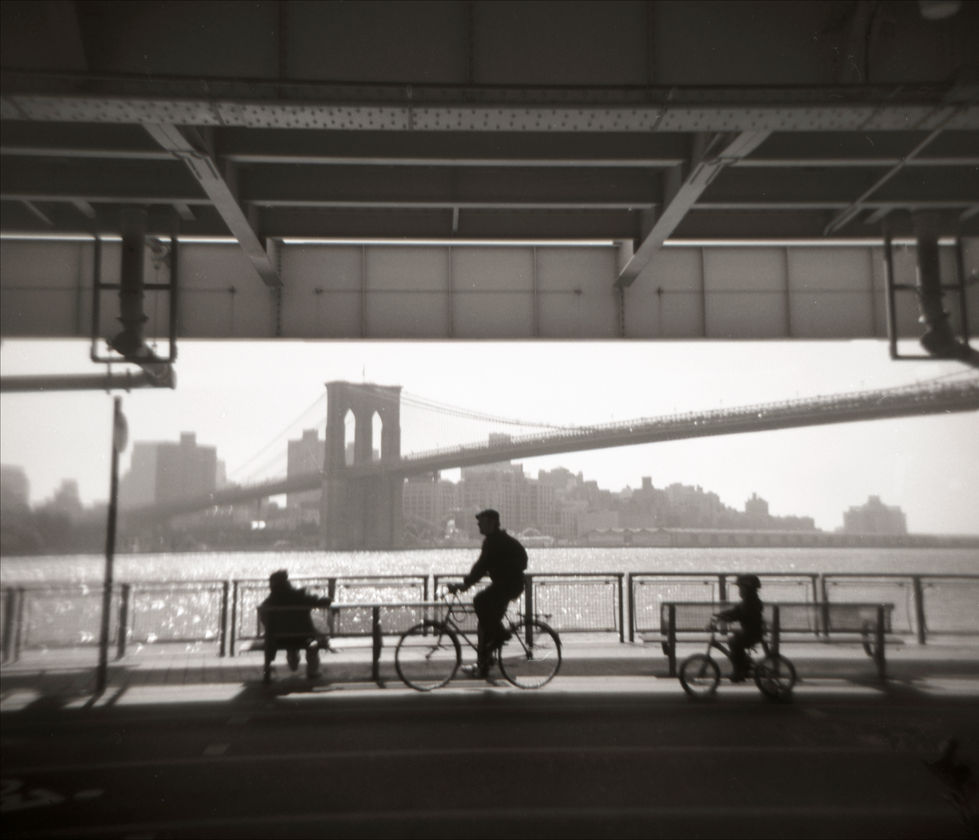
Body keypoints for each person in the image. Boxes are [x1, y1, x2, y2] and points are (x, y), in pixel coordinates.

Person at [448, 509, 528, 678]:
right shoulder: (499, 540)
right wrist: (467, 583)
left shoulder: (494, 542)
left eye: (481, 522)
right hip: (507, 584)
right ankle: (484, 662)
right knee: (485, 623)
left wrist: (465, 584)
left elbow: (481, 566)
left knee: (480, 601)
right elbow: (485, 565)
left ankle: (501, 635)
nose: (478, 525)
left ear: (491, 523)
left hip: (509, 585)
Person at [259, 569, 332, 680]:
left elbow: (263, 617)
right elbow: (323, 602)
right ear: (287, 582)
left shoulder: (270, 602)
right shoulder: (300, 596)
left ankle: (292, 658)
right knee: (314, 641)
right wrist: (329, 598)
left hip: (279, 639)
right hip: (303, 637)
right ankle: (313, 671)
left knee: (289, 635)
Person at [715, 574, 764, 682]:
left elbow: (740, 614)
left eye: (741, 588)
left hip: (752, 633)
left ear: (747, 589)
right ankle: (744, 665)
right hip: (752, 631)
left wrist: (727, 618)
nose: (739, 591)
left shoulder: (750, 603)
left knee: (734, 642)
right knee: (734, 640)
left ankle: (739, 671)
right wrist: (721, 615)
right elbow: (736, 611)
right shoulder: (749, 601)